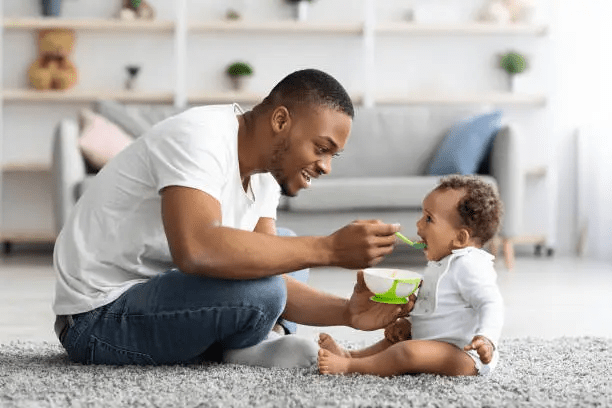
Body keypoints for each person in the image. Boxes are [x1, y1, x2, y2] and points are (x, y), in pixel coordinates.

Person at [52, 68, 413, 367]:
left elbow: (273, 275)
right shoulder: (200, 137)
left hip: (161, 298)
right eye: (321, 149)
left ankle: (256, 341)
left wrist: (349, 312)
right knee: (274, 272)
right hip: (96, 319)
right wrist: (330, 249)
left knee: (280, 251)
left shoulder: (264, 180)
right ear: (281, 120)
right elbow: (196, 249)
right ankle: (250, 346)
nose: (326, 167)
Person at [318, 174, 505, 377]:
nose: (418, 225)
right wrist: (409, 323)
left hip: (464, 355)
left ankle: (350, 368)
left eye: (428, 218)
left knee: (407, 352)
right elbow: (436, 308)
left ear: (460, 238)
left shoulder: (470, 264)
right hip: (436, 345)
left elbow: (491, 303)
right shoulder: (441, 263)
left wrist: (486, 338)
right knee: (396, 341)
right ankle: (351, 356)